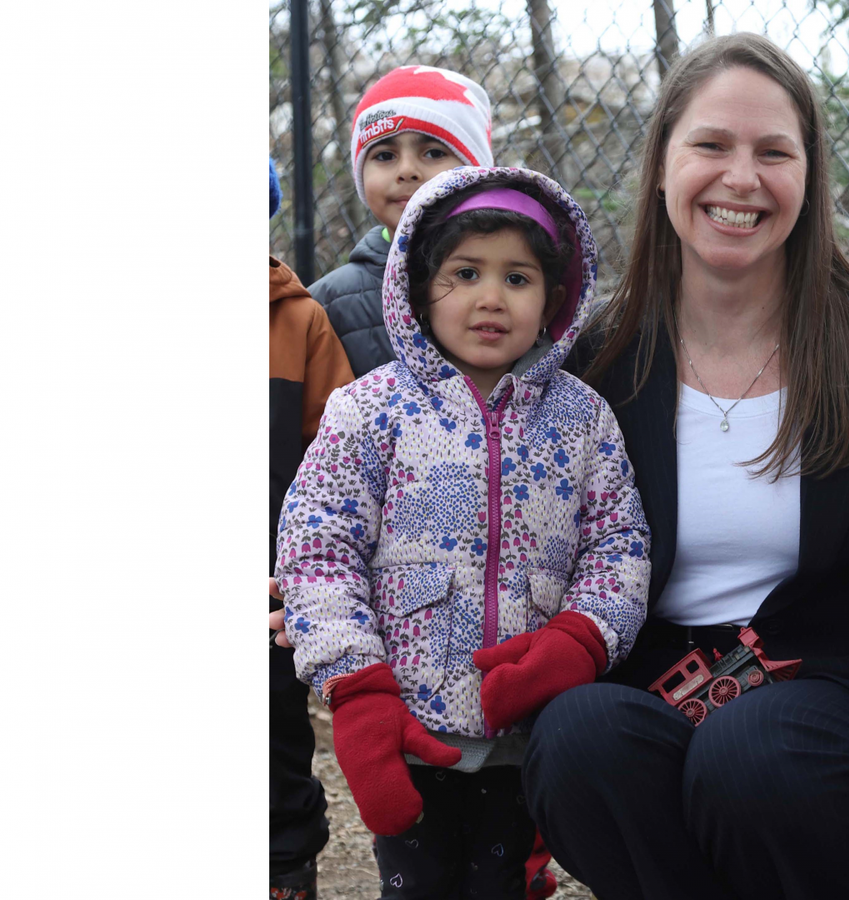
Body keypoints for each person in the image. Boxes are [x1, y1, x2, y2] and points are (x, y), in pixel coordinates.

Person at [519, 33, 849, 900]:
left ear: (809, 177)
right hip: (654, 690)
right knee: (575, 737)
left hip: (831, 688)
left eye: (773, 152)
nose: (740, 178)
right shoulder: (593, 358)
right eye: (711, 145)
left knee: (753, 754)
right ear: (663, 167)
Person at [274, 166, 650, 899]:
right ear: (420, 288)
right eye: (465, 273)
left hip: (523, 725)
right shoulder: (369, 412)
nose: (490, 297)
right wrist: (356, 687)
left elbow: (618, 544)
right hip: (403, 724)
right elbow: (319, 548)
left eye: (518, 278)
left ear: (554, 300)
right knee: (418, 886)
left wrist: (581, 637)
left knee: (500, 884)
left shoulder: (582, 419)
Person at [270, 158, 355, 900]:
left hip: (265, 591)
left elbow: (336, 468)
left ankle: (285, 873)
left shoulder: (298, 322)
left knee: (274, 742)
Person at [309, 65, 495, 377]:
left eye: (434, 153)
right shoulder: (325, 305)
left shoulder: (519, 278)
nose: (406, 170)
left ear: (478, 171)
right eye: (384, 156)